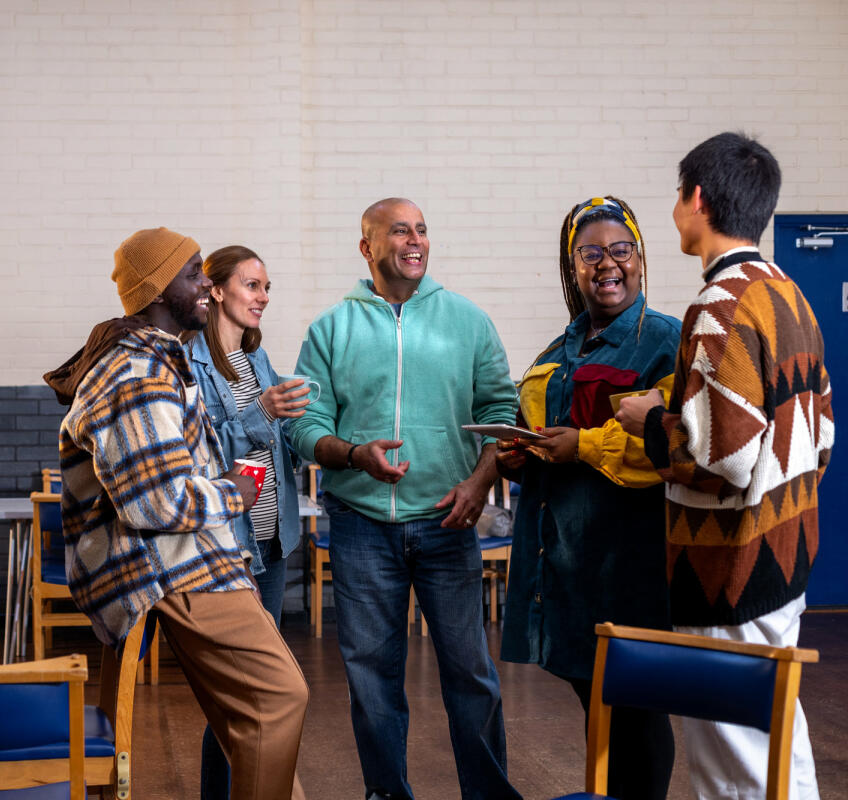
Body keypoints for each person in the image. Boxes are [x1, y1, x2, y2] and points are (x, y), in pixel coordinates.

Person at [44, 227, 308, 800]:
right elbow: (156, 501)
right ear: (159, 290)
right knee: (279, 697)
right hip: (176, 564)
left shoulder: (158, 361)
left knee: (254, 716)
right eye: (194, 274)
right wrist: (232, 493)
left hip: (190, 556)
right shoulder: (136, 373)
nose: (207, 287)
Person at [617, 132, 834, 799]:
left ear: (698, 199)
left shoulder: (719, 306)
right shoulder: (787, 293)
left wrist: (648, 419)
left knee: (730, 764)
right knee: (777, 740)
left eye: (677, 195)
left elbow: (723, 462)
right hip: (786, 553)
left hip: (729, 567)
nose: (674, 211)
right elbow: (820, 435)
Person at [289, 198, 521, 800]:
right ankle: (387, 794)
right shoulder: (331, 329)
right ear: (367, 247)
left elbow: (502, 413)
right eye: (399, 230)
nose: (414, 240)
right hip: (362, 525)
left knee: (471, 675)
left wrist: (478, 484)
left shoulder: (467, 321)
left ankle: (489, 794)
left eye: (421, 229)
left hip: (448, 520)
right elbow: (306, 426)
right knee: (372, 680)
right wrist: (351, 453)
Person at [496, 196, 680, 800]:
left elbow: (672, 448)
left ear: (641, 257)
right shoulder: (555, 354)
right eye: (591, 253)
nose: (608, 264)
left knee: (636, 714)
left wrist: (584, 446)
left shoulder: (667, 344)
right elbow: (549, 447)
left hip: (627, 568)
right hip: (563, 567)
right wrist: (522, 455)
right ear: (571, 266)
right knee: (598, 708)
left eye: (620, 250)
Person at [186, 245, 310, 800]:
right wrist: (262, 413)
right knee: (238, 693)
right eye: (252, 285)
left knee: (260, 693)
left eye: (266, 288)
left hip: (271, 536)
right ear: (215, 290)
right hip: (227, 545)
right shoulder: (188, 358)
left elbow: (275, 446)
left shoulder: (256, 360)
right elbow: (204, 450)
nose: (263, 298)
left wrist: (304, 429)